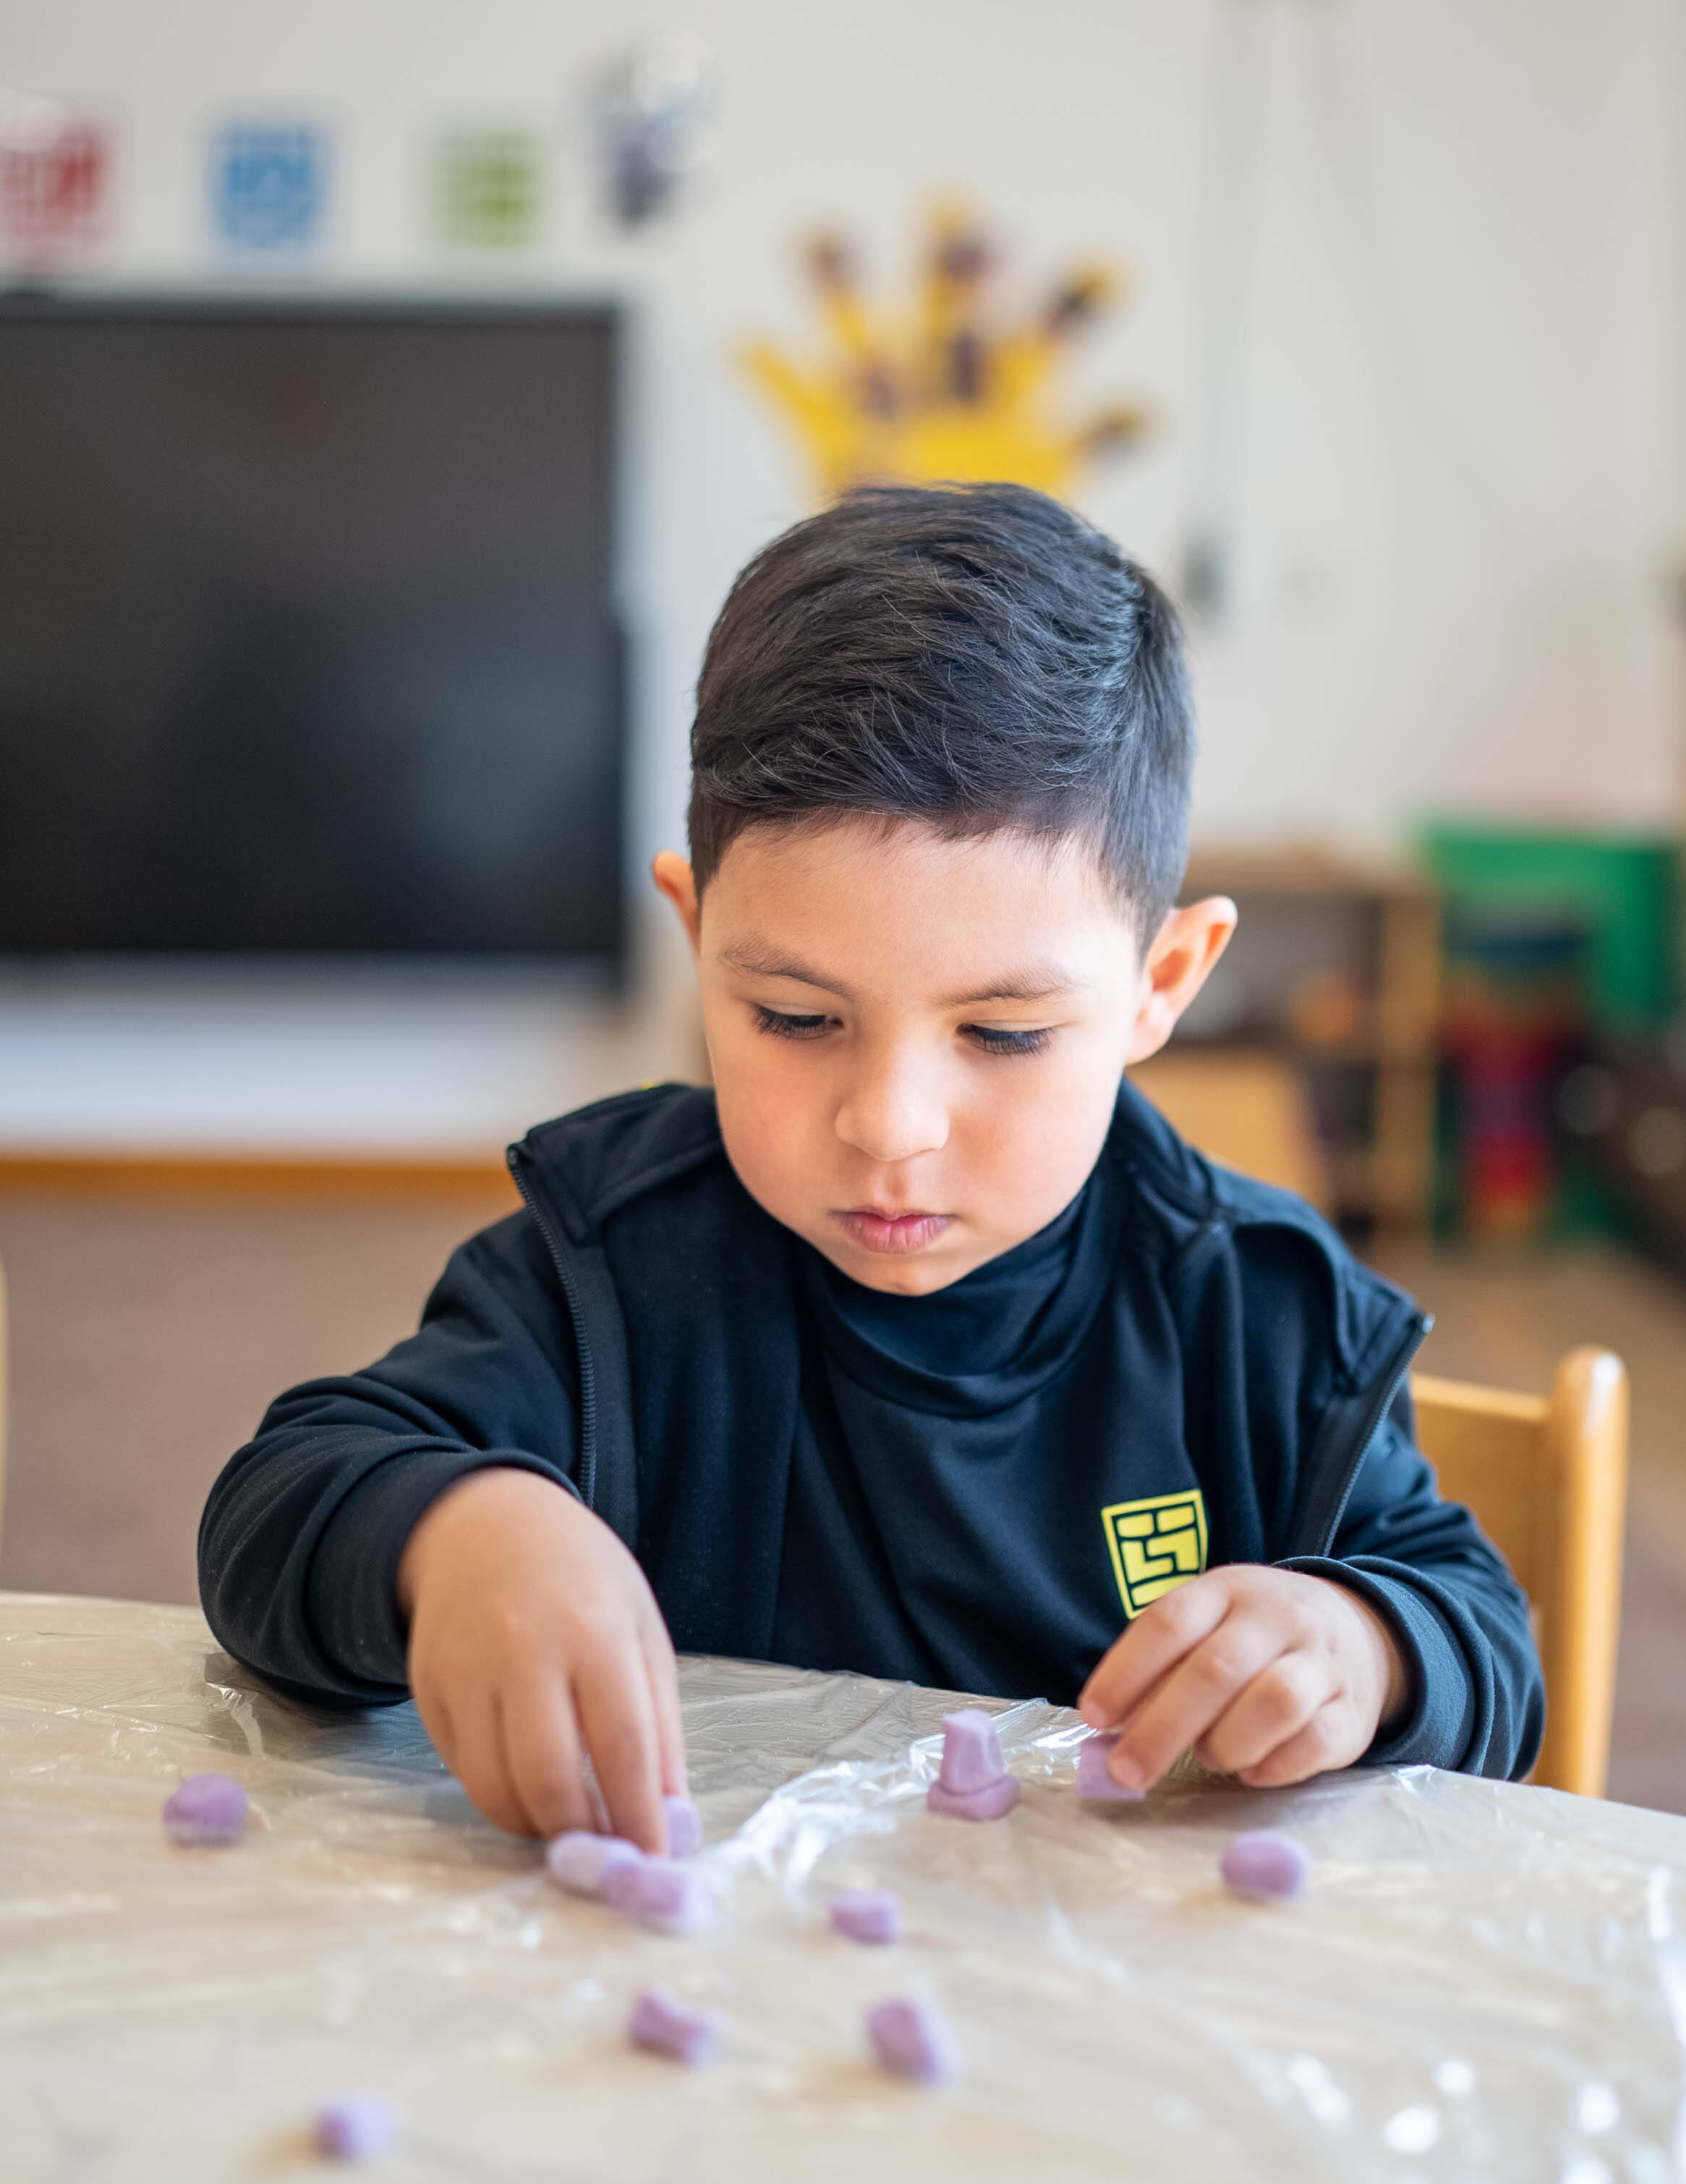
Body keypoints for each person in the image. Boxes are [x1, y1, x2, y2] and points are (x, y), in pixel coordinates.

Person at [200, 483, 1541, 1852]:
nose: (891, 1125)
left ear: (1163, 983)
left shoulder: (1262, 1316)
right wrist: (458, 1533)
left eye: (1002, 1033)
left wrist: (1364, 1643)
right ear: (697, 936)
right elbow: (274, 1508)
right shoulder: (609, 1261)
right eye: (795, 1017)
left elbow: (1488, 1646)